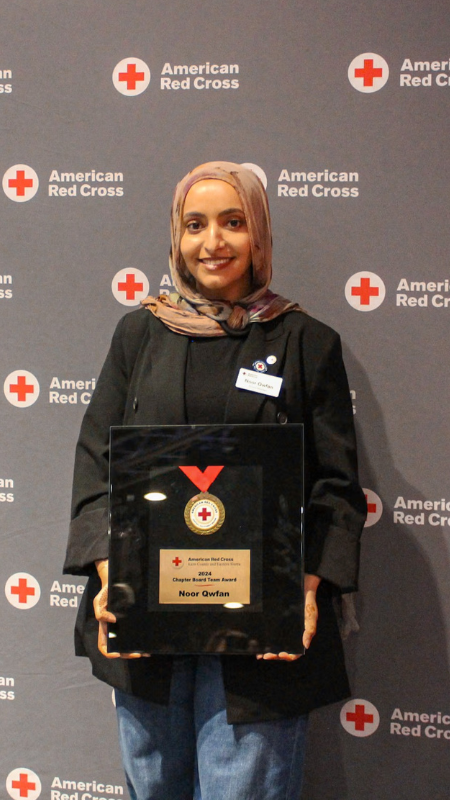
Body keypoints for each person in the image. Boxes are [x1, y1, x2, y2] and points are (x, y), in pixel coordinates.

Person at [64, 161, 367, 800]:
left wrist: (303, 589)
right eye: (195, 225)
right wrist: (106, 571)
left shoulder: (307, 342)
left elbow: (335, 487)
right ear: (176, 238)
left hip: (262, 635)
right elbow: (97, 463)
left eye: (233, 223)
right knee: (153, 788)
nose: (214, 243)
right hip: (147, 624)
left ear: (258, 235)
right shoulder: (139, 334)